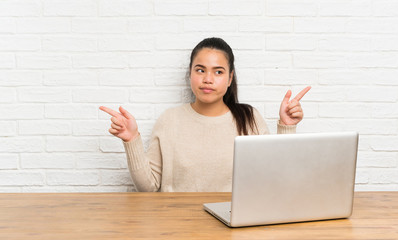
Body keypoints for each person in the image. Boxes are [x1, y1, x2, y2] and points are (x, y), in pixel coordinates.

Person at [100, 37, 311, 192]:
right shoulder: (169, 120)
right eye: (200, 70)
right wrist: (131, 140)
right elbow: (149, 187)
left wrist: (287, 125)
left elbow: (276, 180)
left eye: (218, 72)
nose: (208, 79)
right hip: (178, 224)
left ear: (230, 78)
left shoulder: (250, 118)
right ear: (190, 74)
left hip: (234, 223)